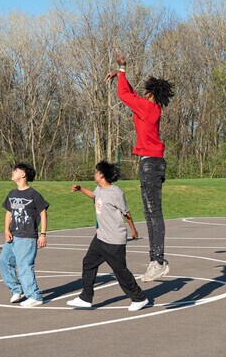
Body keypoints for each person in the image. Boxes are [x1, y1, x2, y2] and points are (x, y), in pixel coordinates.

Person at [104, 49, 175, 282]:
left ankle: (159, 261)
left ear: (151, 95)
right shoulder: (149, 109)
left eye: (145, 92)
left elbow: (125, 96)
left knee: (154, 213)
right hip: (150, 164)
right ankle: (156, 260)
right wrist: (121, 75)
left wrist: (122, 69)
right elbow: (131, 94)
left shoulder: (148, 109)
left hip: (151, 165)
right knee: (149, 212)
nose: (142, 95)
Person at [67, 161, 149, 311]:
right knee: (88, 262)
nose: (94, 174)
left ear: (102, 175)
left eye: (96, 172)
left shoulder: (116, 193)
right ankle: (86, 298)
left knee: (120, 271)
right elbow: (93, 195)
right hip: (100, 237)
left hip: (114, 239)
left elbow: (126, 213)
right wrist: (80, 189)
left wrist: (133, 229)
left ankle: (139, 298)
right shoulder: (99, 189)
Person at [0, 163, 50, 307]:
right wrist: (6, 230)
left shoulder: (33, 194)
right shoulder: (12, 194)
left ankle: (35, 296)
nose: (13, 172)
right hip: (13, 236)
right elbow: (8, 212)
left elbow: (43, 213)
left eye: (16, 170)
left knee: (24, 266)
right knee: (4, 261)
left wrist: (43, 234)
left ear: (23, 174)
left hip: (27, 237)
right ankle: (17, 290)